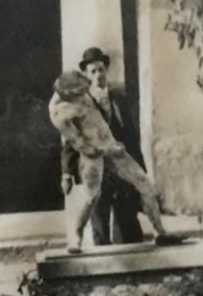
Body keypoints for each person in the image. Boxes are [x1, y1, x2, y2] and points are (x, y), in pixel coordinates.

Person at [49, 69, 170, 253]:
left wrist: (111, 141)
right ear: (69, 95)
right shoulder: (59, 112)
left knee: (145, 184)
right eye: (80, 93)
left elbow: (102, 111)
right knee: (91, 198)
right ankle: (75, 239)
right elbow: (81, 145)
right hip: (93, 155)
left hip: (112, 146)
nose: (84, 95)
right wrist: (106, 150)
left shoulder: (82, 87)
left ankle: (160, 232)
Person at [60, 46, 145, 245]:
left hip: (122, 168)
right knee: (100, 225)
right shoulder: (81, 104)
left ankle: (133, 268)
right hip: (96, 169)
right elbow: (71, 139)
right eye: (93, 71)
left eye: (101, 69)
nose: (98, 75)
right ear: (86, 75)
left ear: (106, 70)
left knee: (128, 221)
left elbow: (132, 138)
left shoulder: (119, 99)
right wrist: (66, 172)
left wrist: (141, 171)